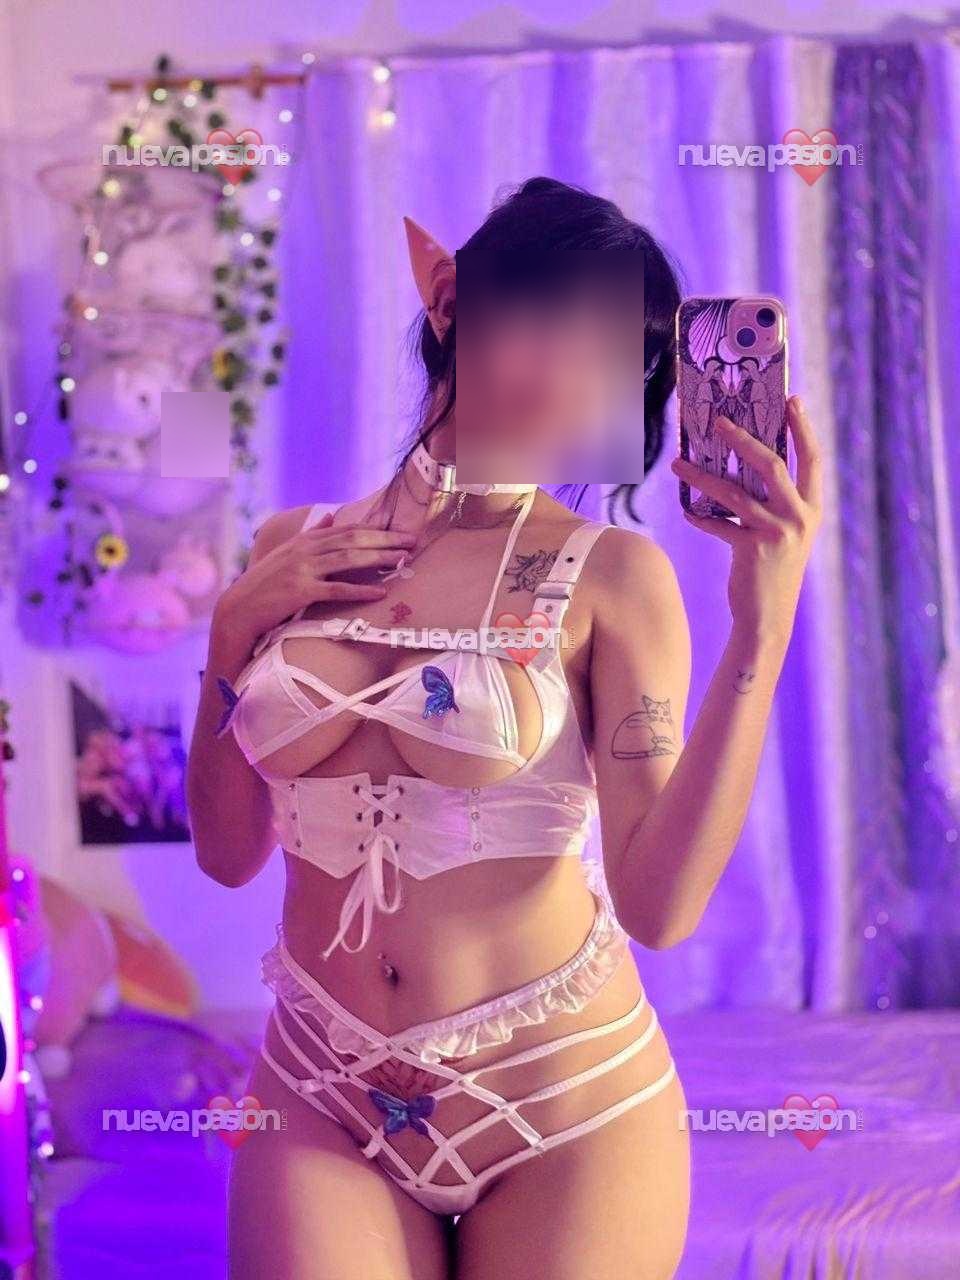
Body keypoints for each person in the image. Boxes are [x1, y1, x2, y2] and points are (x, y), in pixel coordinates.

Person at [187, 177, 821, 1280]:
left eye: (615, 355)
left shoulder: (613, 576)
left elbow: (662, 906)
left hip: (564, 1106)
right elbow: (227, 851)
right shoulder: (291, 546)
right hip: (321, 1088)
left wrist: (761, 629)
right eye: (549, 322)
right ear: (449, 302)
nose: (573, 374)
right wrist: (231, 630)